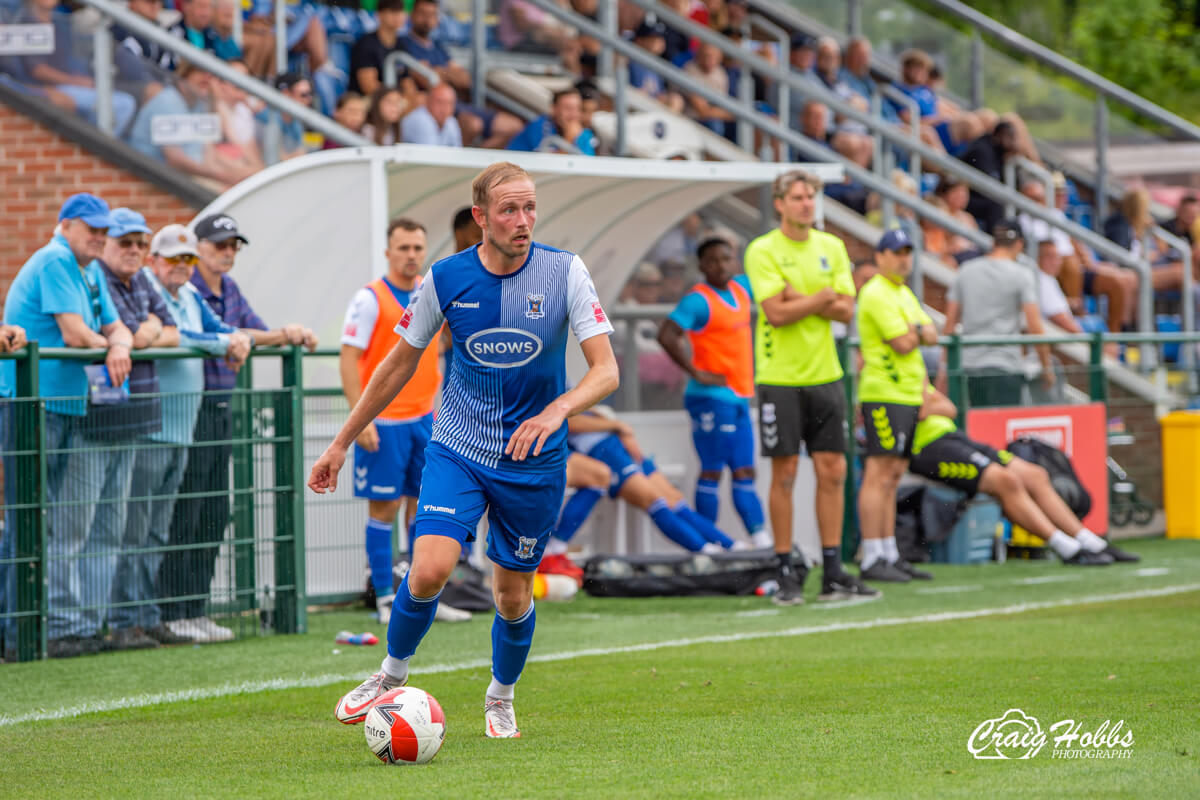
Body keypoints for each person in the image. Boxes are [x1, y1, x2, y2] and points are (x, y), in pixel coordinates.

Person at [313, 162, 618, 738]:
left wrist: (557, 410)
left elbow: (606, 372)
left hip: (534, 459)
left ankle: (500, 696)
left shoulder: (565, 272)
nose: (523, 220)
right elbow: (397, 364)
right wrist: (340, 442)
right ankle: (390, 674)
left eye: (529, 208)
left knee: (510, 594)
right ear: (480, 218)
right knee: (429, 568)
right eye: (509, 210)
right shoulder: (445, 278)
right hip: (458, 446)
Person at [157, 212, 317, 644]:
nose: (227, 253)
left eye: (233, 246)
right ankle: (173, 610)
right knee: (185, 512)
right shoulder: (185, 292)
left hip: (221, 407)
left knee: (214, 509)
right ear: (197, 249)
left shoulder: (228, 288)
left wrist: (283, 333)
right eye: (219, 245)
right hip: (191, 408)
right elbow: (227, 335)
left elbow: (250, 332)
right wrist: (263, 336)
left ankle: (195, 608)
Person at [1, 194, 135, 658]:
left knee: (47, 520)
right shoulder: (57, 258)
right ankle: (19, 635)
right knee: (27, 519)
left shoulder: (89, 266)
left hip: (64, 405)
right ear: (65, 225)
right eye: (91, 228)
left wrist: (118, 343)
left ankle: (44, 630)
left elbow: (118, 328)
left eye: (103, 229)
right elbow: (78, 334)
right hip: (34, 404)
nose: (100, 237)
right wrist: (113, 345)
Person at [743, 170, 876, 606]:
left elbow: (845, 311)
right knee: (784, 474)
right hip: (780, 378)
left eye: (811, 197)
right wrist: (820, 297)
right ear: (779, 203)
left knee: (833, 471)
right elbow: (775, 315)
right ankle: (786, 571)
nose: (806, 204)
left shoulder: (832, 246)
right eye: (798, 197)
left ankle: (833, 569)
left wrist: (800, 297)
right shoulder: (762, 250)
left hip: (826, 375)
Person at [118, 224, 252, 649]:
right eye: (173, 258)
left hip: (182, 428)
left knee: (158, 529)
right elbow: (187, 337)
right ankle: (130, 618)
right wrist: (222, 343)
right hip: (151, 427)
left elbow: (221, 329)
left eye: (187, 259)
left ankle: (150, 616)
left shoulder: (190, 294)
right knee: (138, 529)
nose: (181, 266)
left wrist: (234, 339)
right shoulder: (147, 292)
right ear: (155, 261)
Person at [339, 217, 457, 625]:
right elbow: (349, 359)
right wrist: (361, 419)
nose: (411, 256)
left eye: (417, 249)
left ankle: (418, 597)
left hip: (426, 419)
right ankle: (385, 598)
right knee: (384, 507)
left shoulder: (432, 292)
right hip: (385, 421)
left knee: (422, 509)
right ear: (388, 252)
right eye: (403, 248)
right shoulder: (371, 298)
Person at [91, 209, 183, 651]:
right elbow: (109, 333)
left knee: (151, 528)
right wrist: (137, 332)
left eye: (138, 243)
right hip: (107, 419)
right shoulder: (97, 278)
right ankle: (121, 620)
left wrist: (137, 335)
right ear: (105, 242)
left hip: (146, 415)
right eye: (123, 242)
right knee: (121, 528)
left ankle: (143, 616)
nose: (132, 251)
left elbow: (171, 331)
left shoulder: (144, 280)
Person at [912, 388, 1139, 565]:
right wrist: (931, 405)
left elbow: (949, 408)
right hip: (926, 447)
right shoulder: (890, 368)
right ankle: (1067, 549)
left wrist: (931, 405)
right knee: (1006, 481)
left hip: (953, 436)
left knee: (1035, 475)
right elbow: (922, 410)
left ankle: (1091, 542)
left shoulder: (913, 367)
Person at [657, 237, 770, 549]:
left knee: (745, 468)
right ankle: (713, 543)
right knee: (713, 470)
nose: (721, 266)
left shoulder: (741, 288)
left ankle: (760, 540)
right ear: (702, 266)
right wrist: (695, 372)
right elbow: (666, 334)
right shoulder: (698, 300)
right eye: (713, 261)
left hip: (739, 395)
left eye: (726, 259)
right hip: (709, 397)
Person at [854, 228, 936, 583]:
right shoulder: (875, 293)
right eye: (896, 252)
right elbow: (904, 342)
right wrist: (916, 330)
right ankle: (871, 555)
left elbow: (929, 333)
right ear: (881, 256)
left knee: (892, 475)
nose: (904, 258)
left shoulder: (902, 292)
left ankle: (889, 551)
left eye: (907, 252)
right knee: (878, 473)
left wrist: (914, 329)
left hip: (906, 393)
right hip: (884, 392)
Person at [565, 410, 739, 553]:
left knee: (674, 498)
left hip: (617, 442)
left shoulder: (568, 381)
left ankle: (730, 546)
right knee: (655, 500)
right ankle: (704, 552)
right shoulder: (546, 379)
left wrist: (615, 426)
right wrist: (617, 425)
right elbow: (568, 421)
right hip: (601, 451)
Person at [943, 220, 1053, 408]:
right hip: (1005, 368)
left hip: (968, 369)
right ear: (1019, 244)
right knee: (1002, 435)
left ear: (994, 242)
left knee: (973, 434)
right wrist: (1046, 367)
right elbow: (1035, 326)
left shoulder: (966, 270)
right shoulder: (1022, 274)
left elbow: (949, 325)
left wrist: (943, 370)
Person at [398, 0, 522, 148]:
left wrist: (441, 72)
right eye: (422, 14)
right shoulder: (404, 43)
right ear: (412, 15)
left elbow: (465, 80)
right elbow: (427, 80)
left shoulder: (438, 46)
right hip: (434, 105)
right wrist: (448, 73)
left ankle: (479, 162)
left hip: (456, 103)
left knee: (514, 126)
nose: (427, 19)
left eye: (432, 14)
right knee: (473, 124)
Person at [129, 61, 256, 190]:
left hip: (189, 173)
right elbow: (175, 160)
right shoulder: (167, 101)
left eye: (211, 75)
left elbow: (208, 152)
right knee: (224, 189)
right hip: (154, 177)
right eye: (201, 72)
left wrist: (240, 173)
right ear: (183, 77)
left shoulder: (199, 101)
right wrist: (221, 176)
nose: (208, 78)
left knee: (243, 177)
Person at [14, 0, 136, 133]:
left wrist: (81, 79)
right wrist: (74, 81)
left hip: (67, 84)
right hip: (48, 87)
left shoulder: (59, 22)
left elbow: (68, 62)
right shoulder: (25, 22)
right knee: (123, 104)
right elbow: (37, 70)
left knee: (120, 101)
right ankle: (94, 146)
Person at [507, 87, 598, 155]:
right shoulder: (540, 126)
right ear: (554, 109)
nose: (574, 114)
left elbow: (588, 163)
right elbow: (547, 167)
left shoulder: (583, 132)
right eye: (568, 108)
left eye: (578, 108)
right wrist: (569, 138)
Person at [349, 0, 409, 96]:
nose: (397, 15)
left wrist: (409, 98)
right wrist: (395, 99)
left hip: (395, 100)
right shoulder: (366, 44)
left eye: (400, 11)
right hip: (369, 101)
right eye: (392, 11)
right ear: (379, 14)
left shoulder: (402, 45)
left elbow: (407, 82)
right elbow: (369, 87)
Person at [401, 82, 463, 147]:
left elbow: (457, 152)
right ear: (428, 101)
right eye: (440, 102)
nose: (444, 108)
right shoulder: (421, 119)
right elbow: (431, 155)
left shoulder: (451, 121)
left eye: (449, 103)